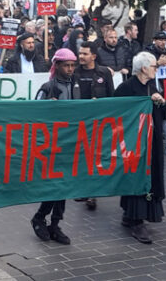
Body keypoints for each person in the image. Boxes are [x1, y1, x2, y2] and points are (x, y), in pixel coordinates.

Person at [114, 51, 166, 244]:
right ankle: (135, 220)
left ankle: (132, 215)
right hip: (134, 144)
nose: (157, 69)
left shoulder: (153, 86)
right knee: (136, 177)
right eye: (154, 66)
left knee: (151, 176)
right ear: (144, 68)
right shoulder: (126, 88)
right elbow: (115, 113)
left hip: (152, 142)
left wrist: (162, 102)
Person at [31, 48, 76, 245]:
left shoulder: (76, 86)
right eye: (66, 65)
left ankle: (55, 223)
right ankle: (40, 217)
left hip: (70, 142)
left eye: (72, 65)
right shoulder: (47, 87)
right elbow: (35, 114)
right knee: (55, 185)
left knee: (65, 186)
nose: (69, 69)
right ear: (56, 66)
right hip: (52, 145)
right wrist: (47, 107)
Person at [74, 41, 114, 210]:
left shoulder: (104, 73)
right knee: (82, 157)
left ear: (94, 56)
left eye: (84, 54)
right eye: (80, 53)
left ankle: (93, 193)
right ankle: (84, 189)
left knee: (96, 157)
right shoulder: (74, 72)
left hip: (99, 122)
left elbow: (112, 97)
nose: (81, 56)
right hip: (79, 122)